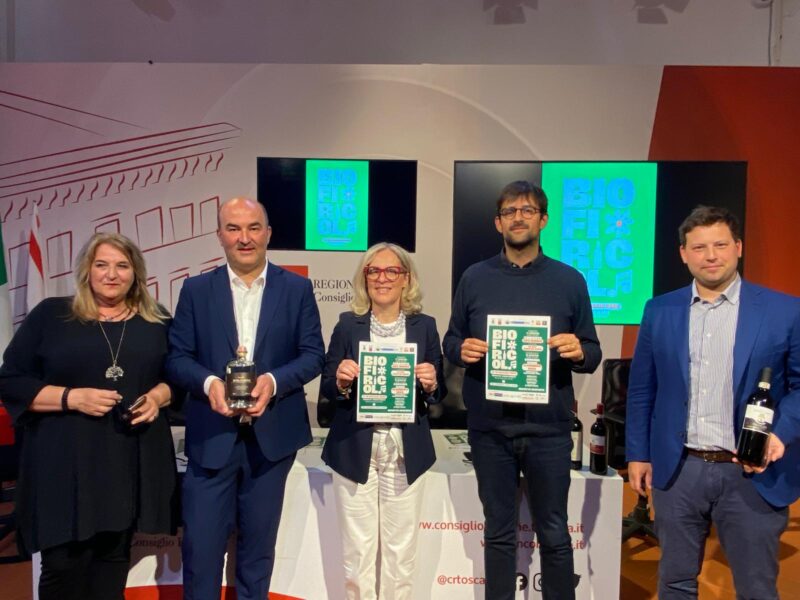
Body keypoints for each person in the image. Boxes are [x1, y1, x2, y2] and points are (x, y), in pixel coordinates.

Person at [626, 205, 800, 599]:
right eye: (699, 247)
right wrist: (638, 453)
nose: (710, 256)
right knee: (674, 584)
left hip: (751, 473)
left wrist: (781, 434)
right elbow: (642, 389)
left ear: (738, 247)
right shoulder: (659, 310)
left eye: (720, 245)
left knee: (756, 589)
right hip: (679, 470)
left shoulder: (784, 311)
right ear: (683, 254)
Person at [443, 180, 601, 600]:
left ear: (543, 219)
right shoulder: (474, 278)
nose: (518, 217)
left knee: (554, 532)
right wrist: (462, 349)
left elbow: (592, 351)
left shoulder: (569, 280)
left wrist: (578, 351)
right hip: (490, 429)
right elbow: (451, 340)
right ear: (498, 223)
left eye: (527, 210)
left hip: (549, 430)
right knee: (498, 533)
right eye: (509, 211)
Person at [0, 232, 177, 600]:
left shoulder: (157, 320)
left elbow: (179, 378)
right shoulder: (52, 315)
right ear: (86, 270)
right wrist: (71, 398)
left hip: (125, 462)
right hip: (63, 464)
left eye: (122, 265)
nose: (111, 274)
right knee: (63, 566)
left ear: (135, 272)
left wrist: (157, 398)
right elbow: (11, 381)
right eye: (102, 264)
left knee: (112, 562)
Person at [166, 197, 325, 600]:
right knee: (200, 553)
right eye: (233, 228)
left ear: (268, 234)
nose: (244, 238)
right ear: (219, 235)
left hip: (272, 441)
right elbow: (177, 358)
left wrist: (272, 381)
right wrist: (209, 384)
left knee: (257, 554)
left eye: (253, 227)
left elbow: (312, 355)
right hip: (211, 437)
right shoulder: (196, 290)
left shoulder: (297, 288)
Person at [319, 242, 445, 600]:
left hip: (405, 449)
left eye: (392, 271)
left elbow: (438, 393)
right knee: (357, 554)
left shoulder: (425, 327)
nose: (382, 278)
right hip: (355, 447)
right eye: (373, 270)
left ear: (406, 278)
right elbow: (327, 385)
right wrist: (342, 380)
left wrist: (431, 383)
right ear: (364, 278)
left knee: (400, 554)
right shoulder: (348, 324)